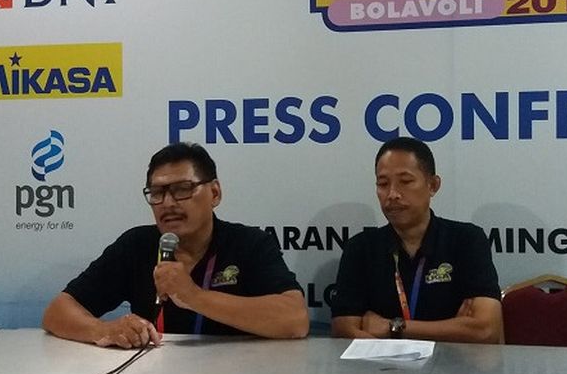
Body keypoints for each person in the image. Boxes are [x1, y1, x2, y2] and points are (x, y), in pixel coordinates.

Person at [43, 142, 309, 348]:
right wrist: (103, 330)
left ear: (214, 193)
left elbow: (295, 320)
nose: (168, 203)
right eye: (157, 193)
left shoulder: (249, 243)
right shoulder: (136, 245)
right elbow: (57, 312)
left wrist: (195, 297)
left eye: (182, 189)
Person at [331, 137, 502, 343]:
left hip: (454, 362)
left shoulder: (466, 240)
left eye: (405, 182)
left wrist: (393, 327)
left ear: (433, 185)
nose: (392, 194)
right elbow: (344, 330)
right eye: (383, 184)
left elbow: (486, 329)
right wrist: (455, 328)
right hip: (380, 363)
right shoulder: (361, 248)